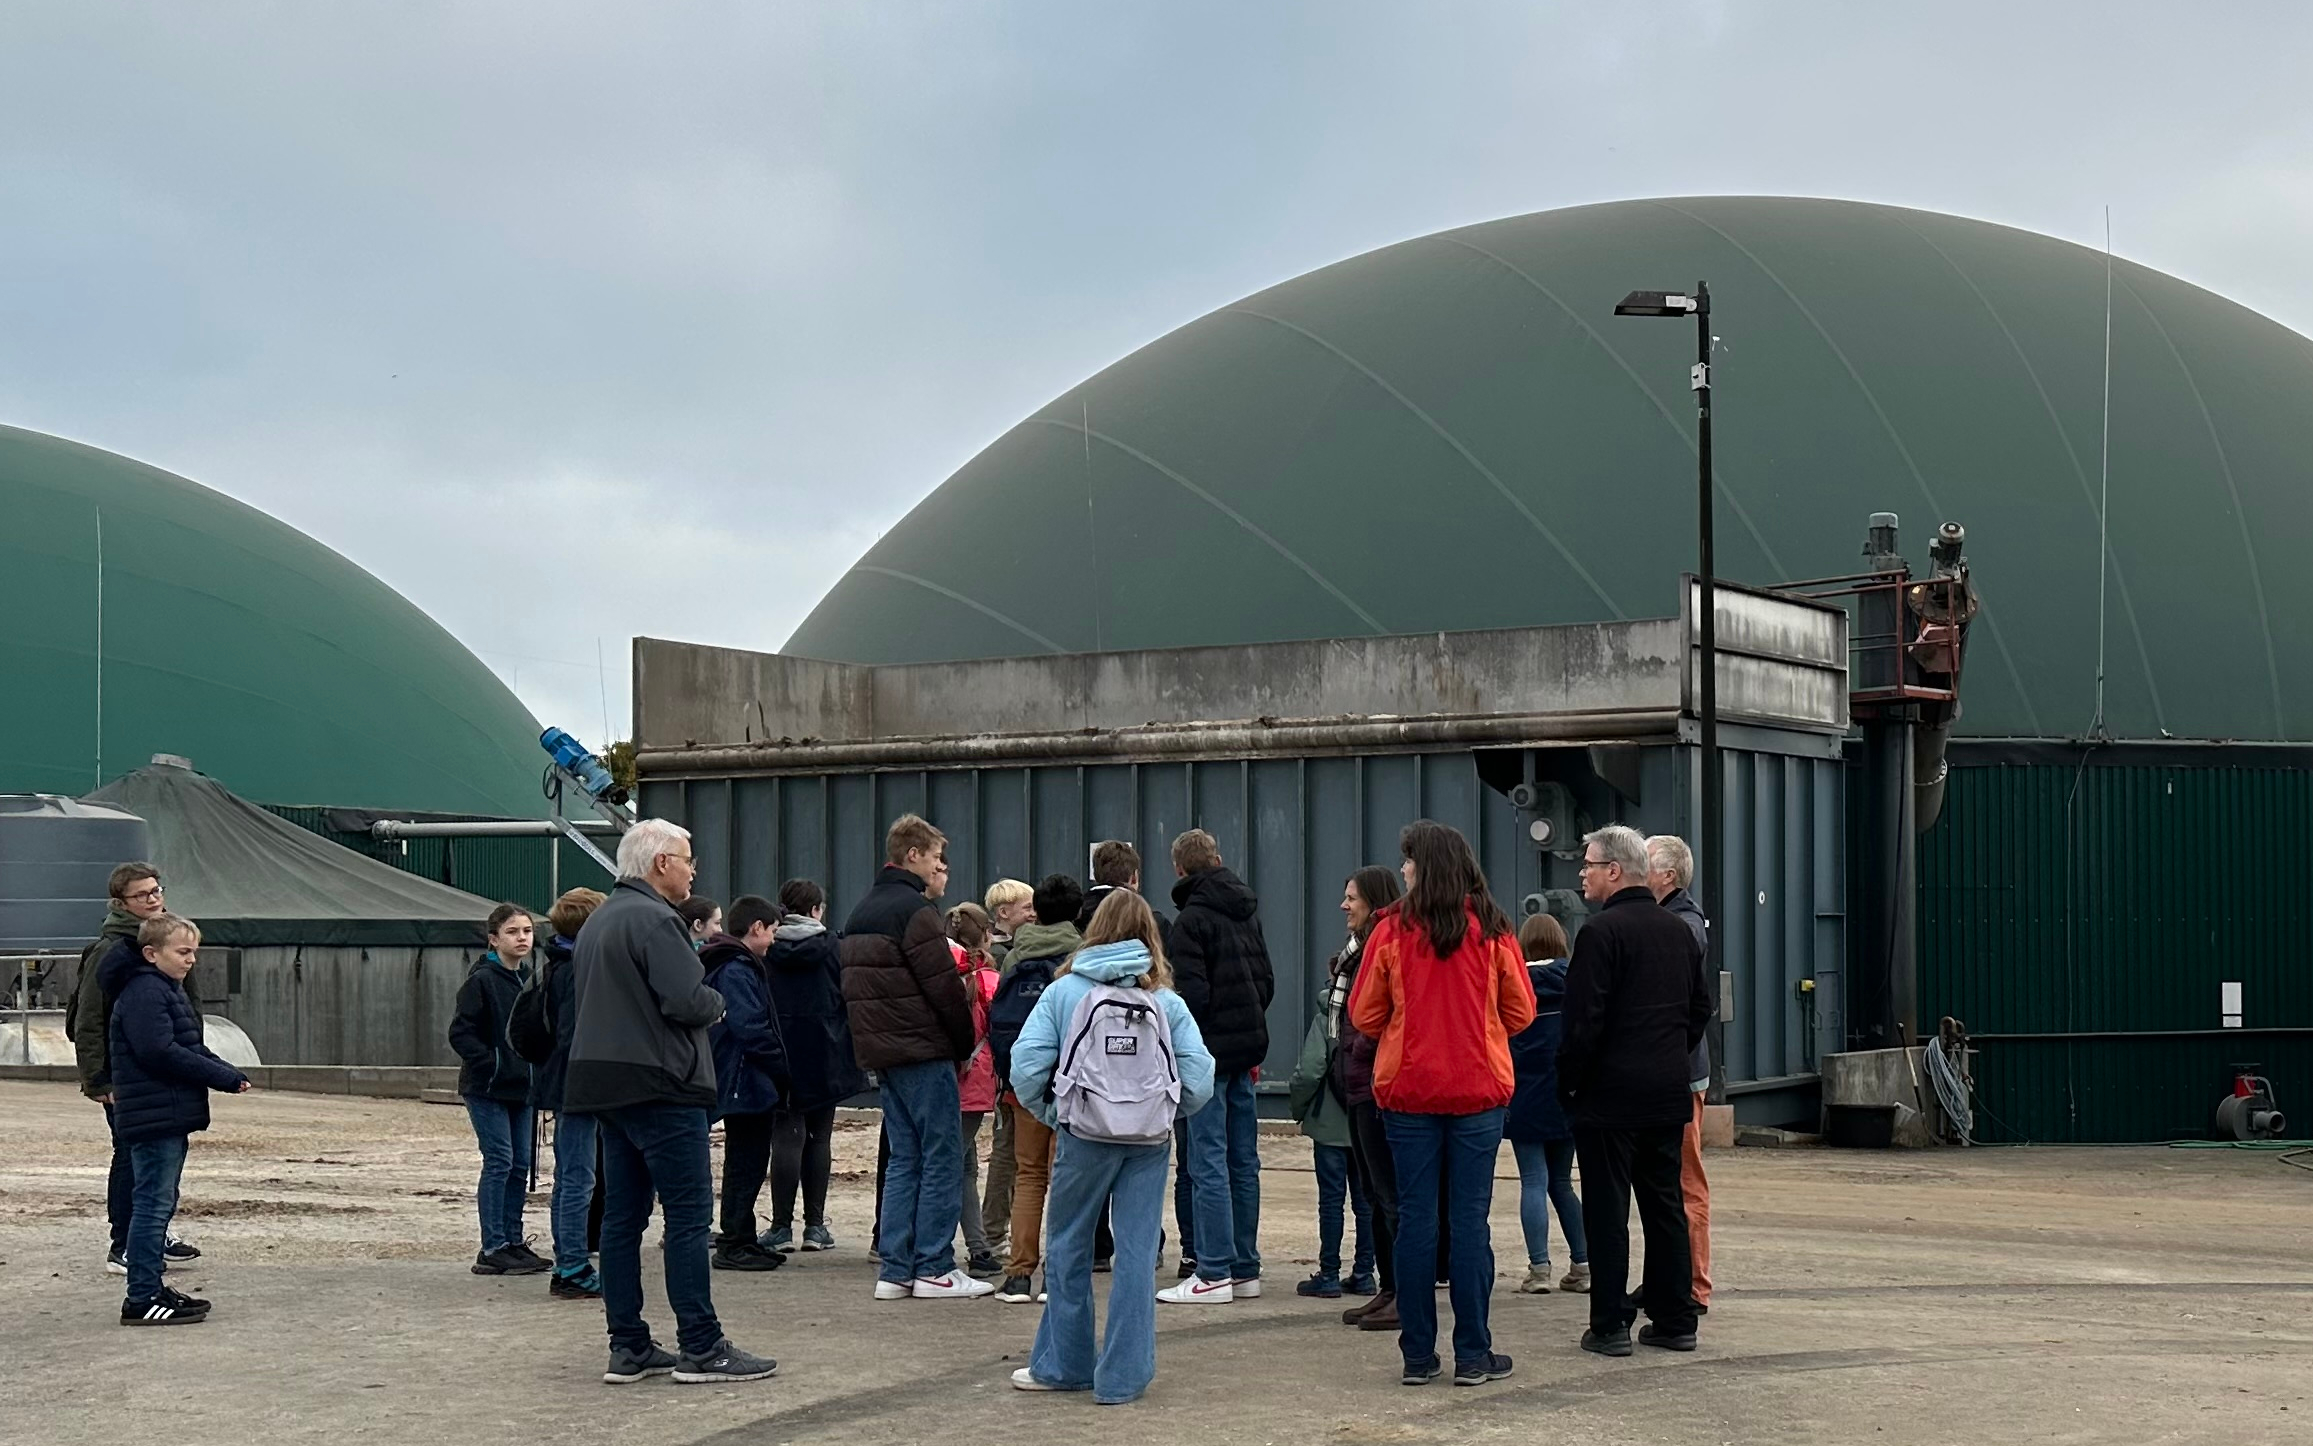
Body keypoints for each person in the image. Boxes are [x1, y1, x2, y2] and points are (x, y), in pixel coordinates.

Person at [565, 819, 776, 1386]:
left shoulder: (600, 919)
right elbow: (686, 1000)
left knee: (622, 1218)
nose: (692, 870)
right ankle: (702, 1347)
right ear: (661, 863)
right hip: (663, 1084)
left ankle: (628, 1344)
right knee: (687, 1219)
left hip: (607, 1085)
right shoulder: (658, 920)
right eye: (687, 859)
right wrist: (718, 1003)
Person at [1007, 890, 1216, 1405]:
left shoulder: (1064, 992)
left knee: (1068, 1245)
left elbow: (1026, 1067)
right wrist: (1164, 1112)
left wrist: (1059, 1113)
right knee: (1138, 1252)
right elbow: (1200, 1078)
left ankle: (1064, 1364)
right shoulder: (1165, 999)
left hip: (1084, 1134)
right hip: (1147, 1139)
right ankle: (1123, 1377)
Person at [1349, 820, 1532, 1387]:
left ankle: (1417, 1355)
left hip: (1409, 1092)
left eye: (1408, 861)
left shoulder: (1391, 931)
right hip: (1478, 1091)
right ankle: (1474, 1354)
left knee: (1415, 1220)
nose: (1403, 869)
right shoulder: (1495, 931)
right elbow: (1521, 1011)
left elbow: (1364, 1015)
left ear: (1425, 867)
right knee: (1470, 1224)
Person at [1561, 825, 1711, 1359]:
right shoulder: (1677, 931)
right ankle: (1675, 1319)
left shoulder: (1600, 935)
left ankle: (1609, 1325)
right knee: (1664, 1203)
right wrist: (1668, 1056)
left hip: (1609, 1097)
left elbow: (1583, 1023)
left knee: (1607, 1210)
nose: (1583, 873)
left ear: (1614, 871)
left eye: (1589, 864)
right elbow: (1699, 1010)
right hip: (1665, 1091)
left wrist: (1570, 1084)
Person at [839, 814, 990, 1300]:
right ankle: (935, 1266)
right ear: (913, 856)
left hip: (883, 1052)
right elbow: (942, 988)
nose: (938, 868)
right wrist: (964, 1043)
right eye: (934, 859)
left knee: (904, 1158)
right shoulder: (915, 912)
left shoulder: (860, 912)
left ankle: (896, 1268)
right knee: (943, 1155)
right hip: (924, 1049)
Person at [104, 913, 250, 1324]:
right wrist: (221, 1077)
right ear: (152, 953)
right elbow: (160, 1051)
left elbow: (189, 1045)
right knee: (152, 1205)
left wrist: (229, 1072)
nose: (191, 961)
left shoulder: (162, 989)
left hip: (164, 1112)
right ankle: (142, 1297)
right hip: (155, 1116)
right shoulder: (146, 992)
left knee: (159, 1202)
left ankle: (151, 1289)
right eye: (183, 952)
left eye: (194, 953)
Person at [1159, 829, 1273, 1305]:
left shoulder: (1190, 922)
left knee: (1207, 1161)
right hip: (1246, 1049)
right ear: (1218, 859)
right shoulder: (1246, 912)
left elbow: (1191, 996)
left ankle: (1212, 1269)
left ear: (1180, 870)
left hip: (1207, 1056)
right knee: (1243, 1160)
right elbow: (1265, 980)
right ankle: (1245, 1267)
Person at [68, 861, 194, 1276]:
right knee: (132, 1155)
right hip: (123, 1075)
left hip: (161, 1069)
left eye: (157, 890)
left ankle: (153, 1232)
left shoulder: (164, 938)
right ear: (121, 902)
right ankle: (123, 1242)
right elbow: (89, 1018)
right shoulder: (112, 950)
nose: (155, 899)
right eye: (144, 895)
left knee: (165, 1152)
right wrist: (97, 1079)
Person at [990, 874, 1084, 1304]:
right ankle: (1056, 1275)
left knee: (1029, 1177)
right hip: (1071, 1086)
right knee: (1065, 1178)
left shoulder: (1014, 958)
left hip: (1023, 1086)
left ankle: (1018, 1274)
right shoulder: (1082, 955)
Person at [760, 878, 865, 1253]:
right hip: (826, 1049)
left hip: (781, 1050)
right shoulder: (836, 948)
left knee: (785, 1135)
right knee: (820, 1137)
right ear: (817, 909)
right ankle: (815, 1226)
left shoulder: (767, 948)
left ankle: (780, 1227)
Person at [1286, 904, 1377, 1300]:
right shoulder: (1372, 1011)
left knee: (1331, 1202)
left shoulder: (1328, 1012)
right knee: (1366, 1202)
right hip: (1364, 1119)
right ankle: (1365, 1271)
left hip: (1328, 1123)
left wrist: (1299, 1110)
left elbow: (1310, 1070)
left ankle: (1327, 1272)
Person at [448, 904, 544, 1275]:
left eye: (526, 931)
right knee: (500, 1161)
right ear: (494, 939)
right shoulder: (482, 981)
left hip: (522, 1088)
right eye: (512, 932)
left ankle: (513, 1240)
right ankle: (493, 1246)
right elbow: (461, 1032)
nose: (522, 938)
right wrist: (494, 1062)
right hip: (488, 1087)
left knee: (521, 1164)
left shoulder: (530, 979)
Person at [1333, 865, 1408, 1332]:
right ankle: (1388, 1286)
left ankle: (1403, 1290)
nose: (1345, 906)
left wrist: (1359, 1049)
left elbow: (1376, 1015)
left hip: (1375, 1086)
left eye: (1353, 898)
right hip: (1357, 1086)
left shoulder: (1378, 948)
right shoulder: (1354, 951)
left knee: (1390, 1194)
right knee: (1373, 1193)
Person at [701, 895, 791, 1272]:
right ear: (756, 928)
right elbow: (749, 1025)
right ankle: (735, 1241)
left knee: (748, 1159)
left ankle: (742, 1236)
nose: (772, 940)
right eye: (771, 931)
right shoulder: (737, 968)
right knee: (746, 1160)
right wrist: (780, 1065)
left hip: (742, 1075)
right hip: (745, 1077)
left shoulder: (732, 964)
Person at [1647, 834, 1715, 1314]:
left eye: (1645, 863)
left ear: (1668, 876)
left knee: (1685, 1182)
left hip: (1680, 1075)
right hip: (1673, 1071)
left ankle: (1693, 1284)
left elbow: (1691, 1007)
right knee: (1662, 1184)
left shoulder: (1683, 927)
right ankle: (1667, 1278)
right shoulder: (1675, 920)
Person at [531, 887, 608, 1299]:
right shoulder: (580, 968)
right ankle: (573, 1266)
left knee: (570, 1177)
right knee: (579, 1177)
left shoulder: (556, 963)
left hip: (561, 1082)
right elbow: (575, 1033)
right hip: (576, 1084)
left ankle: (569, 1259)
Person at [1507, 913, 1588, 1295]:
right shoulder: (1575, 981)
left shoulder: (1514, 983)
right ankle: (1583, 1263)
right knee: (1562, 1182)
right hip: (1566, 1096)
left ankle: (1539, 1269)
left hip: (1524, 1095)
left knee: (1533, 1182)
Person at [947, 902, 1004, 1277]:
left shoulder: (944, 974)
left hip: (950, 1074)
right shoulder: (990, 980)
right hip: (979, 1077)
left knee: (961, 1163)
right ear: (985, 935)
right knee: (957, 1164)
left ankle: (979, 1247)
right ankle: (977, 1249)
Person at [979, 877, 1033, 1257]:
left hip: (1008, 1068)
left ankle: (997, 1229)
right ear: (1004, 913)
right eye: (1026, 908)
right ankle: (993, 1230)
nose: (1033, 913)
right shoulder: (1001, 960)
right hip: (1009, 1071)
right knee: (1006, 1152)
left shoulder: (1011, 954)